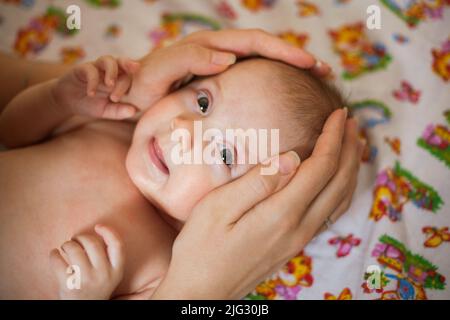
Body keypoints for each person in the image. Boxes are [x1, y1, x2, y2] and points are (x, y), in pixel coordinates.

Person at [0, 29, 362, 299]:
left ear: (250, 207)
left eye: (224, 154)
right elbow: (12, 132)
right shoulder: (110, 123)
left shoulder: (166, 266)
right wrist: (58, 100)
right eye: (203, 103)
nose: (185, 131)